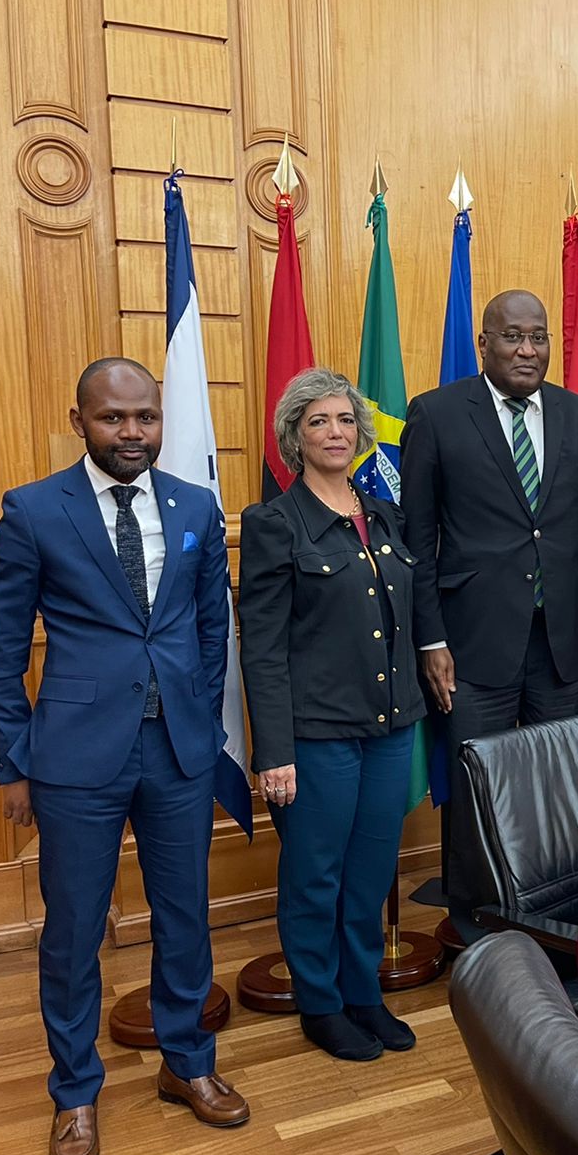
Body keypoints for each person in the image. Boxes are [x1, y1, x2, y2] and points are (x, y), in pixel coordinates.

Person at [0, 358, 249, 1155]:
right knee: (72, 933)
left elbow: (210, 628)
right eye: (113, 419)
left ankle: (187, 1062)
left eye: (146, 419)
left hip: (178, 754)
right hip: (74, 759)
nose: (132, 433)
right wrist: (13, 762)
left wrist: (195, 714)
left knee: (184, 915)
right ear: (79, 420)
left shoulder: (196, 506)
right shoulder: (32, 512)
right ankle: (75, 1094)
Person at [400, 289, 578, 938]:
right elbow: (417, 539)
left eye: (540, 337)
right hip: (470, 641)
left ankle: (548, 919)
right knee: (475, 790)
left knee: (555, 785)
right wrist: (428, 639)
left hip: (560, 639)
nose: (528, 350)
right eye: (513, 337)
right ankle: (476, 930)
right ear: (483, 343)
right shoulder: (437, 415)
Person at [238, 368, 427, 1063]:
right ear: (295, 436)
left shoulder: (383, 516)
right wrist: (274, 751)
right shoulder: (273, 524)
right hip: (315, 735)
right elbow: (261, 648)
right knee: (316, 872)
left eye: (345, 420)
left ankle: (362, 992)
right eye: (318, 421)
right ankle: (320, 1004)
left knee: (372, 869)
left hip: (387, 726)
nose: (335, 433)